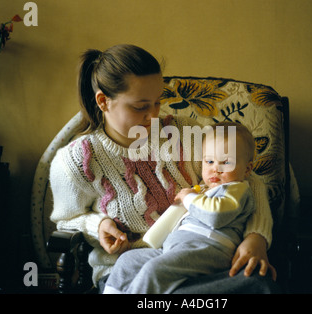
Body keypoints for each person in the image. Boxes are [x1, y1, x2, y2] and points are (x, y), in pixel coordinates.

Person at [49, 44, 277, 293]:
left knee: (259, 283)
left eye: (158, 102)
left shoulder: (185, 133)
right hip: (128, 272)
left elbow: (248, 178)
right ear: (103, 101)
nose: (153, 116)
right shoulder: (76, 160)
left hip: (201, 262)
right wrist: (98, 225)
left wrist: (257, 237)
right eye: (140, 107)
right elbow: (67, 220)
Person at [103, 122, 262, 293]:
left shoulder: (237, 188)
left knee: (154, 272)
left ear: (247, 169)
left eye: (227, 162)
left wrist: (188, 198)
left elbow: (216, 215)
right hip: (175, 247)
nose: (216, 169)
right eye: (209, 161)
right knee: (128, 261)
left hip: (209, 248)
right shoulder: (202, 189)